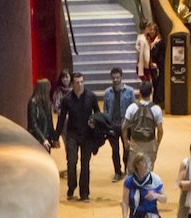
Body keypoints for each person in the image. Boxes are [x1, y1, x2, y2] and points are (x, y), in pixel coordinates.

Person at [56, 72, 99, 202]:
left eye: (81, 82)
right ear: (72, 84)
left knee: (85, 164)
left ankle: (84, 193)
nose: (79, 84)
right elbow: (62, 118)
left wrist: (95, 124)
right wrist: (56, 136)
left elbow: (97, 114)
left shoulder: (91, 97)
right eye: (77, 82)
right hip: (72, 134)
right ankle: (71, 187)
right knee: (72, 161)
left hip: (87, 134)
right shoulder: (67, 99)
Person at [102, 67, 135, 182]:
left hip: (126, 126)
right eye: (114, 77)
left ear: (121, 77)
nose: (116, 80)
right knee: (114, 150)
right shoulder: (107, 93)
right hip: (112, 126)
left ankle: (127, 170)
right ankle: (117, 171)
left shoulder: (129, 91)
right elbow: (105, 109)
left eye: (118, 77)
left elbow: (133, 108)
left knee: (127, 150)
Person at [122, 80, 163, 172]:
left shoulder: (132, 107)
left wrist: (125, 140)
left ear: (139, 92)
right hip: (150, 143)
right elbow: (160, 130)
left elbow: (124, 126)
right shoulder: (156, 109)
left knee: (132, 170)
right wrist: (157, 142)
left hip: (135, 143)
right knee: (148, 169)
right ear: (151, 91)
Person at [28, 78, 58, 153]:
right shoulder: (33, 103)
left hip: (46, 138)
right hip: (37, 139)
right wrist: (42, 139)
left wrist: (54, 138)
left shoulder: (47, 103)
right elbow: (33, 124)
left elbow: (50, 123)